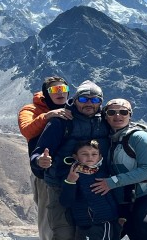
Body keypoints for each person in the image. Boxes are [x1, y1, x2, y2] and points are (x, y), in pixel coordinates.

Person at [30, 80, 110, 240]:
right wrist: (40, 161)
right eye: (83, 99)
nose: (89, 103)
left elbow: (128, 127)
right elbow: (37, 154)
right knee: (63, 233)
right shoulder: (61, 121)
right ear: (75, 99)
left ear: (101, 102)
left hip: (94, 187)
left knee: (92, 234)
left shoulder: (106, 121)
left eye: (94, 100)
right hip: (60, 186)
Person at [91, 98, 147, 240]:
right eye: (112, 112)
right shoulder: (109, 138)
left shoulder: (140, 137)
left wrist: (112, 182)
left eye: (123, 112)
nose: (118, 116)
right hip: (125, 198)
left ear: (130, 115)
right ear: (105, 116)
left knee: (145, 224)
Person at [18, 76, 72, 240]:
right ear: (46, 93)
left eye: (63, 89)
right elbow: (27, 130)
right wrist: (48, 116)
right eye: (55, 90)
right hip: (43, 172)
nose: (60, 93)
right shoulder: (30, 109)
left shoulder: (71, 109)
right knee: (48, 217)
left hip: (69, 173)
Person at [59, 139, 123, 240]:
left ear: (100, 157)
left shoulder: (106, 173)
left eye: (94, 154)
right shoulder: (71, 175)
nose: (90, 157)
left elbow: (120, 188)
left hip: (106, 222)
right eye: (84, 154)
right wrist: (70, 181)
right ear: (75, 157)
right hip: (83, 224)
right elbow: (66, 202)